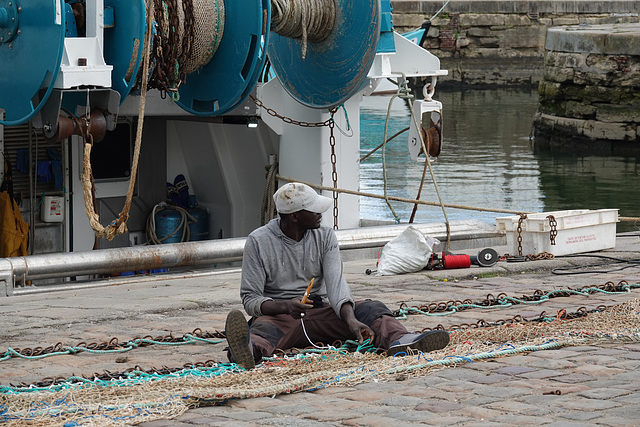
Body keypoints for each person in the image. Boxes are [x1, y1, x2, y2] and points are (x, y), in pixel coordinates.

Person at [225, 182, 449, 369]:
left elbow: (336, 285)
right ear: (294, 216)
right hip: (280, 315)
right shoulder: (258, 241)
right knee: (263, 330)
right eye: (313, 209)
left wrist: (351, 320)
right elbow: (251, 299)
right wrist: (286, 306)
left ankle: (402, 340)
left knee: (372, 309)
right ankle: (246, 351)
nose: (320, 214)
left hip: (321, 310)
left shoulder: (325, 236)